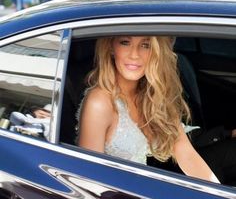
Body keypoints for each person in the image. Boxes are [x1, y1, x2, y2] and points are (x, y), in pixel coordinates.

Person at [76, 36, 219, 184]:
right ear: (111, 48)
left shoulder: (154, 95)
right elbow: (89, 178)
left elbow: (187, 154)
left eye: (145, 45)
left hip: (148, 193)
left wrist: (219, 196)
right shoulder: (99, 103)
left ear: (156, 51)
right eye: (125, 42)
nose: (134, 54)